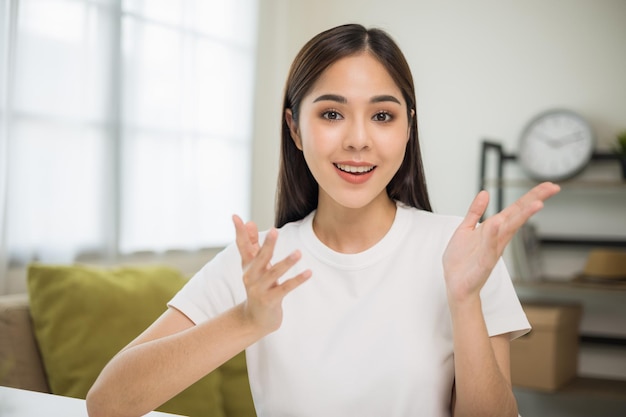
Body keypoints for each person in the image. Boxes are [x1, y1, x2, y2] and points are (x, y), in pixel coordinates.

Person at [86, 23, 560, 417]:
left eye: (382, 116)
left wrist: (464, 301)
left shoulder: (463, 253)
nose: (358, 140)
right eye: (332, 113)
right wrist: (247, 320)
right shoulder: (258, 263)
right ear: (293, 127)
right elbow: (107, 402)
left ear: (408, 128)